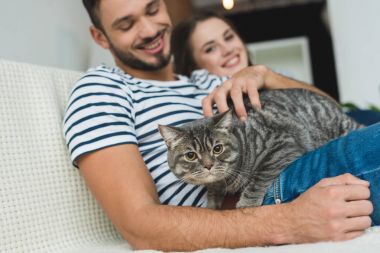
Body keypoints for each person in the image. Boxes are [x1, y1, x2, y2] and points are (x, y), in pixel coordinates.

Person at [64, 0, 378, 251]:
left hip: (296, 155)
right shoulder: (101, 88)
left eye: (152, 9)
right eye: (127, 24)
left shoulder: (207, 79)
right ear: (100, 37)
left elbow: (329, 108)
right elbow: (140, 226)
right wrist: (290, 220)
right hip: (267, 193)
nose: (149, 29)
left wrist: (266, 75)